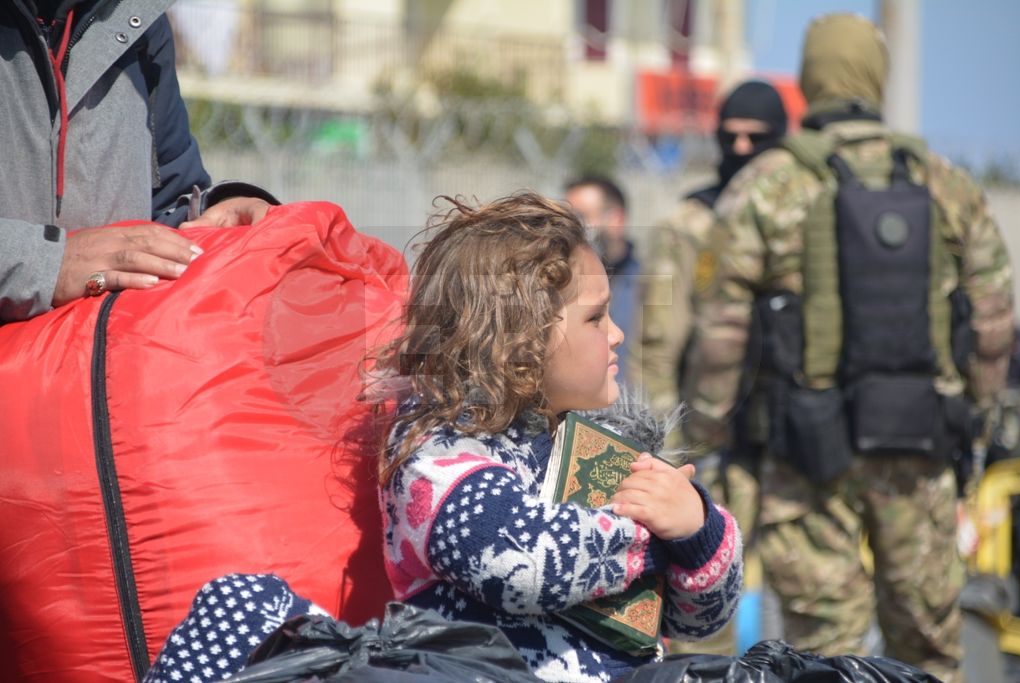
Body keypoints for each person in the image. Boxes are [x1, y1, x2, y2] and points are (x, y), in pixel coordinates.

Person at [143, 192, 742, 683]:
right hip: (474, 670)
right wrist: (650, 536)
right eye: (594, 318)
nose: (616, 335)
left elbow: (697, 620)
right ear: (519, 342)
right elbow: (515, 560)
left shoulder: (608, 449)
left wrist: (695, 531)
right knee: (239, 606)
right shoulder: (442, 448)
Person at [682, 13, 1013, 682]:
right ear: (876, 76)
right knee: (928, 647)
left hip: (807, 457)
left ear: (810, 77)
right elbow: (994, 321)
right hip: (921, 448)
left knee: (825, 650)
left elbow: (721, 331)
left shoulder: (767, 184)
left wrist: (709, 434)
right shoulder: (946, 183)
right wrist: (974, 422)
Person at [629, 79, 788, 656]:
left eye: (757, 138)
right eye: (730, 136)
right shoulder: (691, 223)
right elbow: (657, 344)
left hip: (800, 445)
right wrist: (666, 450)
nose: (741, 149)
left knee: (820, 612)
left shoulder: (807, 216)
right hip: (717, 443)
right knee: (705, 606)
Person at [0, 0, 276, 324]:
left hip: (115, 350)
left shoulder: (139, 17)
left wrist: (217, 214)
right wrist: (45, 263)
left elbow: (168, 199)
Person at [565, 176, 641, 384]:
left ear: (616, 220)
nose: (572, 228)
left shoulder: (648, 287)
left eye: (582, 217)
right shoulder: (563, 285)